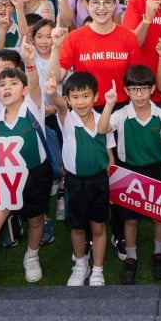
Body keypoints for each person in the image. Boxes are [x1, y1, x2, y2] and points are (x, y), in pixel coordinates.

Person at [0, 43, 53, 298]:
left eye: (13, 84)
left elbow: (35, 83)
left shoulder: (33, 106)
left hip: (37, 173)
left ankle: (32, 255)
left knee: (36, 219)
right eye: (2, 85)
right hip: (7, 177)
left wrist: (29, 61)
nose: (6, 88)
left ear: (24, 90)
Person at [99, 65, 161, 284]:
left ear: (152, 89)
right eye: (134, 90)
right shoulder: (121, 115)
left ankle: (159, 253)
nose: (139, 95)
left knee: (159, 215)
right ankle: (131, 257)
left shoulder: (160, 114)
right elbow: (101, 129)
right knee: (130, 219)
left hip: (156, 169)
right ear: (127, 91)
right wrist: (109, 104)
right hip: (129, 170)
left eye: (144, 89)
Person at [45, 71, 115, 287]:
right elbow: (58, 102)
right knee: (77, 227)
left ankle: (98, 269)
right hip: (76, 183)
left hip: (100, 182)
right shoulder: (67, 117)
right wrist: (52, 92)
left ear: (95, 96)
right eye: (74, 97)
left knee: (99, 227)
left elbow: (109, 154)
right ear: (68, 100)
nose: (80, 101)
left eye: (85, 96)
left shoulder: (104, 119)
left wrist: (111, 103)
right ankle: (81, 265)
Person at [50, 0, 146, 109]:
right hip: (85, 110)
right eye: (95, 2)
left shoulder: (128, 37)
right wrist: (56, 47)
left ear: (114, 6)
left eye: (107, 2)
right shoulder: (75, 37)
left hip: (120, 109)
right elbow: (55, 77)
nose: (101, 8)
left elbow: (136, 80)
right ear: (88, 6)